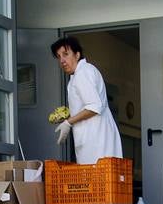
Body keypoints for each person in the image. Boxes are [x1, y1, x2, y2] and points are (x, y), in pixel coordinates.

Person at [50, 36, 123, 164]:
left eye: (66, 54)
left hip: (96, 141)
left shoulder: (82, 73)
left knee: (96, 181)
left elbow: (94, 107)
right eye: (59, 56)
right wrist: (68, 113)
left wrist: (68, 122)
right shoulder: (81, 73)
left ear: (77, 55)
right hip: (95, 138)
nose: (62, 60)